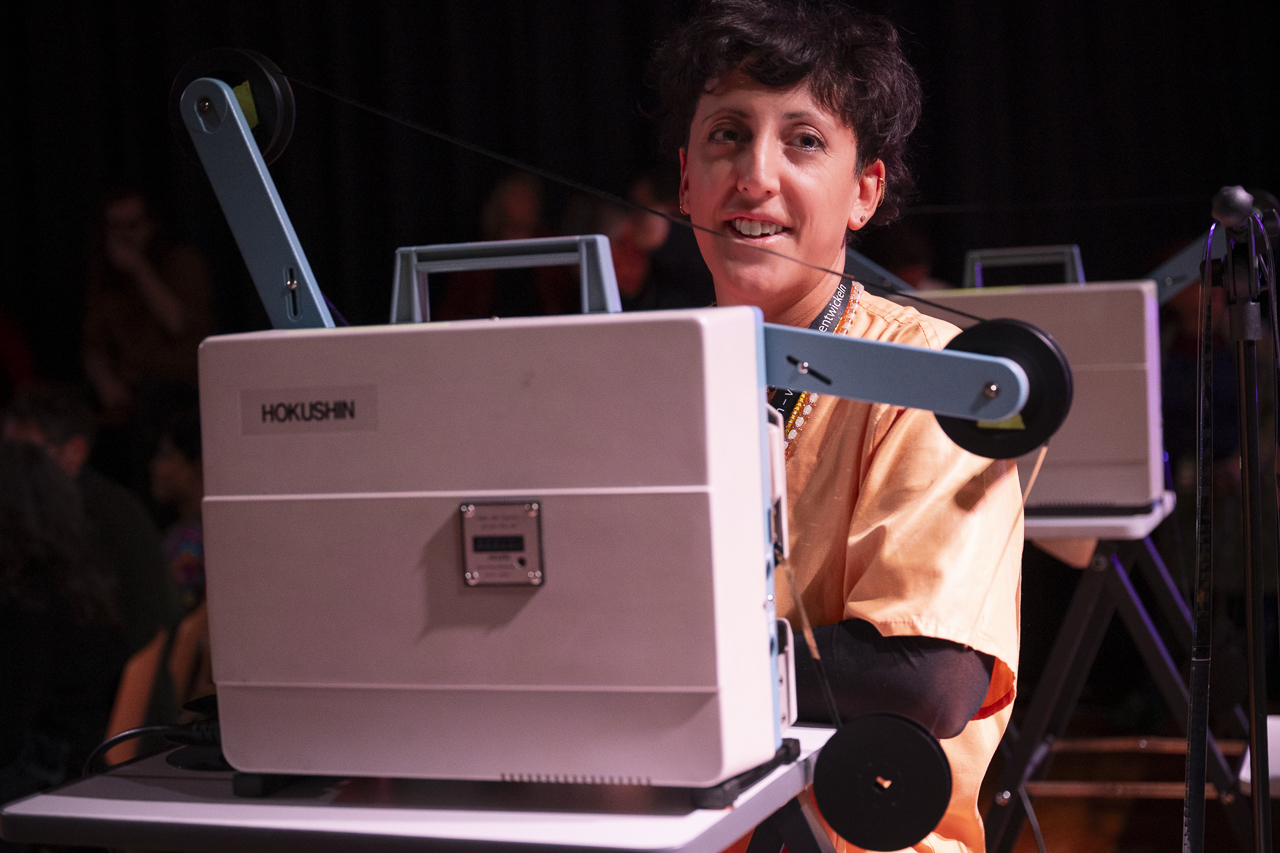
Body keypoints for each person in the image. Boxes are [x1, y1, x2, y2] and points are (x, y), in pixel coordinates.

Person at [652, 3, 1022, 851]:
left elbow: (925, 683)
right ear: (685, 183)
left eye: (804, 141)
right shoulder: (640, 376)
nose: (755, 175)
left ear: (865, 191)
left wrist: (641, 657)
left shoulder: (933, 375)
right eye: (727, 136)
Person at [4, 385, 183, 736]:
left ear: (74, 451)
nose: (10, 471)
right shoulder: (107, 506)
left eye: (25, 456)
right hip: (125, 714)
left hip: (110, 731)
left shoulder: (84, 523)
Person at [0, 439, 126, 819]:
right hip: (79, 774)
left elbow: (7, 734)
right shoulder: (81, 589)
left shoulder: (27, 608)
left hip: (41, 790)